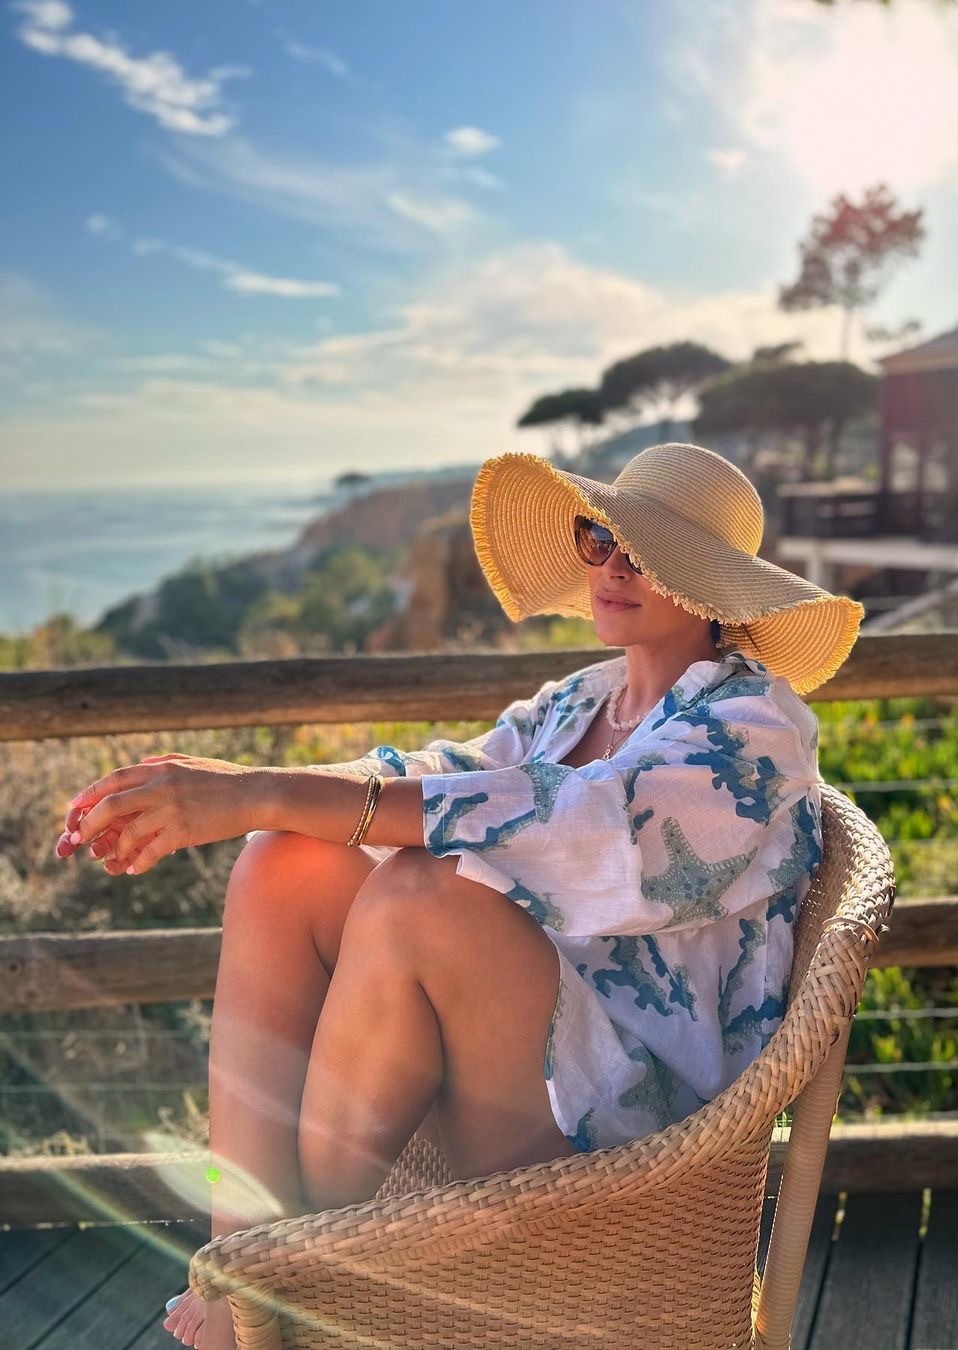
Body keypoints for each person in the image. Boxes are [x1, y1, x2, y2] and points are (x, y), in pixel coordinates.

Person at [54, 442, 863, 1349]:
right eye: (600, 538)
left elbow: (580, 822)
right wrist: (240, 790)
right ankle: (239, 1264)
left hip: (642, 1131)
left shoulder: (754, 730)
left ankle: (289, 1274)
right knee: (284, 861)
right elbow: (441, 772)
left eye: (648, 554)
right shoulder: (580, 701)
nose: (612, 567)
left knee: (422, 896)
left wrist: (262, 789)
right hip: (527, 1055)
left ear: (715, 589)